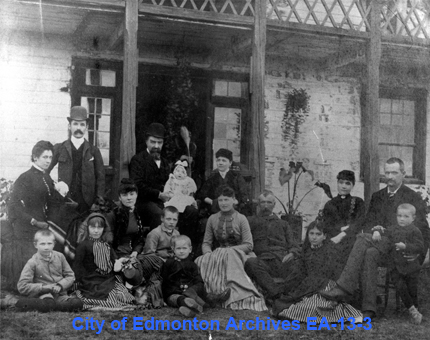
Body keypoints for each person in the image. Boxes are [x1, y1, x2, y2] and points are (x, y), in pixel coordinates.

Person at [320, 158, 430, 320]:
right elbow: (369, 221)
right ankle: (369, 309)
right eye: (387, 172)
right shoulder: (378, 196)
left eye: (394, 172)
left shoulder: (412, 196)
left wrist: (418, 254)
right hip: (381, 244)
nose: (390, 176)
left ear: (403, 174)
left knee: (363, 238)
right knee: (370, 253)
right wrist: (375, 229)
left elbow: (423, 229)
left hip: (400, 247)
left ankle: (343, 286)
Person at [273, 221, 362, 323]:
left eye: (318, 234)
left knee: (315, 306)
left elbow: (337, 273)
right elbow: (299, 273)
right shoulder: (306, 252)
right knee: (285, 306)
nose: (314, 237)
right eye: (311, 233)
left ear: (324, 236)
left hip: (326, 287)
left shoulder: (331, 252)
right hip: (308, 286)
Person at [3, 141, 64, 290]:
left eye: (50, 157)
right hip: (26, 227)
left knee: (61, 239)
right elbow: (14, 205)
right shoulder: (25, 177)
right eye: (45, 157)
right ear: (35, 158)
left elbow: (52, 200)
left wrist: (61, 190)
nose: (49, 160)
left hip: (41, 223)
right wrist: (33, 221)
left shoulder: (46, 177)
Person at [195, 185, 266, 311]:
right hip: (219, 252)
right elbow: (206, 243)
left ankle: (236, 296)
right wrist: (208, 253)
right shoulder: (212, 218)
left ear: (234, 200)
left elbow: (249, 244)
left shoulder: (241, 218)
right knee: (201, 260)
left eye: (227, 200)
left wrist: (231, 251)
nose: (223, 203)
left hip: (240, 253)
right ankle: (213, 294)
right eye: (220, 200)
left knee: (230, 257)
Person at [130, 123, 199, 245]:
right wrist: (159, 194)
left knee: (190, 211)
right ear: (146, 141)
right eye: (153, 142)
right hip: (145, 203)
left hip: (167, 201)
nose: (156, 146)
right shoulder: (138, 160)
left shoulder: (165, 162)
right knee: (159, 214)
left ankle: (184, 247)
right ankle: (161, 248)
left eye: (159, 143)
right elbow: (137, 185)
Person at [244, 190, 301, 300]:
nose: (266, 206)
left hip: (282, 260)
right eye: (262, 202)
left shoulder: (283, 224)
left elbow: (294, 245)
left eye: (269, 202)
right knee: (250, 263)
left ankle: (282, 293)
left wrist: (292, 254)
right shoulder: (250, 221)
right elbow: (245, 241)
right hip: (262, 260)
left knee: (301, 265)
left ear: (274, 204)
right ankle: (277, 294)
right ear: (258, 204)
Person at [48, 106, 105, 214]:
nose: (78, 128)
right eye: (75, 124)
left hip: (87, 204)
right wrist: (54, 187)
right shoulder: (60, 148)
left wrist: (97, 201)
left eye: (82, 124)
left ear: (86, 127)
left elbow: (100, 178)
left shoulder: (93, 151)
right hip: (65, 201)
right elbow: (45, 170)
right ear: (69, 126)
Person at [73, 213, 135, 310]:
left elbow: (115, 262)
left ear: (104, 229)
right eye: (93, 227)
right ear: (87, 228)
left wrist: (120, 263)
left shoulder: (107, 245)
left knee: (121, 295)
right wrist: (81, 281)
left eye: (99, 227)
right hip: (90, 280)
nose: (96, 231)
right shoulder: (83, 245)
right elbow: (77, 266)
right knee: (100, 295)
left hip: (108, 279)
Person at [12, 230, 83, 312]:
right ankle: (22, 302)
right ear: (35, 245)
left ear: (54, 244)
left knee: (78, 303)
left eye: (49, 243)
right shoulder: (32, 262)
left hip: (60, 295)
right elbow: (22, 286)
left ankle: (52, 306)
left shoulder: (60, 257)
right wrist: (43, 287)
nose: (46, 247)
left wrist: (60, 285)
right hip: (43, 295)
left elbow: (70, 275)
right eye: (42, 244)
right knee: (48, 303)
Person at [322, 170, 365, 277]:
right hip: (333, 238)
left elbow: (360, 221)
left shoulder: (358, 202)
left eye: (348, 183)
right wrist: (339, 229)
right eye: (341, 182)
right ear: (337, 183)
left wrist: (344, 232)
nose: (344, 186)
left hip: (350, 239)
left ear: (353, 185)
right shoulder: (330, 204)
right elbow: (327, 225)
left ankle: (343, 287)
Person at [388, 204, 424, 324]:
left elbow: (420, 246)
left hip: (410, 265)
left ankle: (416, 308)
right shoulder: (393, 229)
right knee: (400, 285)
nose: (402, 219)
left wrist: (406, 246)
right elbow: (385, 234)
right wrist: (377, 230)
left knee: (412, 287)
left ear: (413, 218)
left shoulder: (415, 230)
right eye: (399, 216)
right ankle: (412, 310)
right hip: (395, 266)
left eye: (406, 216)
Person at [161, 235, 205, 317]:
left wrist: (192, 290)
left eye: (184, 248)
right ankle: (190, 306)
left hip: (189, 293)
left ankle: (191, 309)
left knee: (197, 295)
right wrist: (177, 291)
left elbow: (198, 281)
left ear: (190, 249)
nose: (181, 251)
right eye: (178, 248)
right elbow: (165, 281)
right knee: (179, 299)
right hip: (173, 293)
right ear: (173, 249)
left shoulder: (192, 265)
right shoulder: (169, 263)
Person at [197, 148, 249, 214]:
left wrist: (235, 202)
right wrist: (212, 202)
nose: (220, 163)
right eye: (218, 160)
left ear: (230, 163)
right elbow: (202, 195)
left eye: (224, 161)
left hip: (234, 208)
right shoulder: (212, 177)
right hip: (216, 210)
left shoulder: (236, 176)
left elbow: (244, 195)